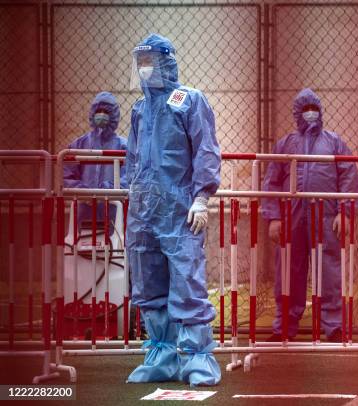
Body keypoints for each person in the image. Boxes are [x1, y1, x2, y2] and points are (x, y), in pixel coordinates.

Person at [125, 33, 221, 386]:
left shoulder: (189, 100)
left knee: (187, 280)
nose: (144, 68)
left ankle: (198, 358)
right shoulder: (139, 109)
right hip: (144, 212)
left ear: (167, 61)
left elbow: (205, 150)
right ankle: (161, 354)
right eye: (141, 61)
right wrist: (131, 197)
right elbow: (133, 159)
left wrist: (201, 197)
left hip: (180, 210)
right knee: (148, 281)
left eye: (150, 60)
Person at [262, 88, 358, 342]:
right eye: (305, 109)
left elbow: (349, 177)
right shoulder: (285, 144)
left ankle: (334, 326)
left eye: (313, 109)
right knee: (288, 271)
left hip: (325, 216)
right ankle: (284, 326)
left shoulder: (334, 142)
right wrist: (273, 217)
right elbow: (271, 182)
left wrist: (346, 212)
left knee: (329, 271)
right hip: (291, 217)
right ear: (297, 113)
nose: (309, 114)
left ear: (320, 111)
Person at [63, 91, 127, 232]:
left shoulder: (124, 146)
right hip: (84, 209)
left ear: (114, 115)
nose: (102, 114)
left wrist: (107, 191)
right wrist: (84, 192)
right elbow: (67, 175)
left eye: (106, 111)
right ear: (92, 113)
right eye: (99, 111)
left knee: (113, 248)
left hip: (113, 209)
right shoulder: (78, 145)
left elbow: (129, 176)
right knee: (82, 246)